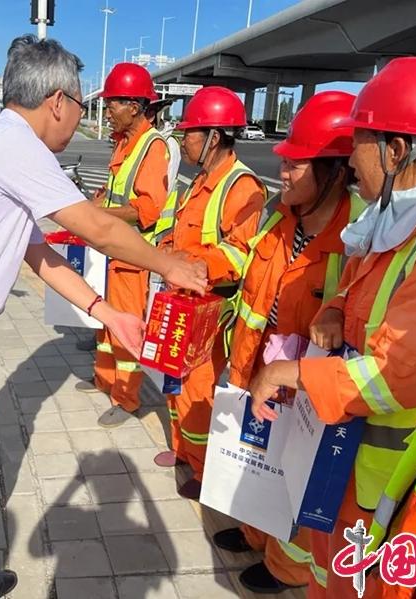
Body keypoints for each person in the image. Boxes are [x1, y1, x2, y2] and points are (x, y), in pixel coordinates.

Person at [0, 36, 206, 599]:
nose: (81, 118)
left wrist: (105, 312)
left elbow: (40, 255)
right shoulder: (15, 145)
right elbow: (94, 227)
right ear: (57, 101)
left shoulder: (0, 145)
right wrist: (167, 264)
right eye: (81, 106)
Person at [247, 57, 416, 597]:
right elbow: (354, 289)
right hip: (349, 459)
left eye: (359, 139)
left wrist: (288, 373)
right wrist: (333, 311)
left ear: (396, 151)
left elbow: (392, 378)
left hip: (391, 484)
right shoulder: (392, 224)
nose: (350, 157)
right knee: (327, 575)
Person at [210, 91, 361, 593]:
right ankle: (256, 533)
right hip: (258, 365)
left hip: (306, 391)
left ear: (337, 171)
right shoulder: (281, 215)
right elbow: (246, 261)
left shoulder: (357, 236)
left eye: (298, 164)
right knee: (259, 461)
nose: (285, 172)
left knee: (295, 475)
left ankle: (288, 568)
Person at [151, 86, 267, 500]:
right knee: (175, 379)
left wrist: (196, 266)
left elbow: (240, 253)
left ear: (214, 137)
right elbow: (178, 230)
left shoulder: (243, 186)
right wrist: (165, 255)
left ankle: (201, 469)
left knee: (199, 388)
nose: (183, 140)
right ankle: (183, 451)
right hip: (183, 297)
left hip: (211, 304)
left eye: (190, 134)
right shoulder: (199, 180)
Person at [75, 62, 171, 428]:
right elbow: (112, 194)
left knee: (127, 328)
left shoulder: (152, 146)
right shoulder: (125, 143)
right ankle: (104, 379)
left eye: (113, 103)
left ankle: (127, 398)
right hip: (113, 252)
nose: (108, 110)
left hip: (133, 258)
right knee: (106, 322)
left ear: (134, 105)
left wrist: (100, 218)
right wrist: (90, 209)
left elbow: (147, 209)